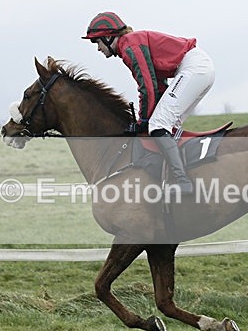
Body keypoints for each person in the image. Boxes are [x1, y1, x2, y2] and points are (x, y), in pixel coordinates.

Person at [82, 11, 215, 195]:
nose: (97, 48)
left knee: (158, 124)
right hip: (197, 69)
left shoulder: (129, 45)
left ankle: (182, 181)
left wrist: (142, 121)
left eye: (96, 42)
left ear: (108, 37)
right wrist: (145, 120)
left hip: (194, 68)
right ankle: (175, 174)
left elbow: (147, 87)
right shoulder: (129, 45)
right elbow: (158, 86)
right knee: (165, 125)